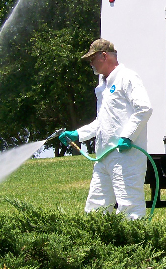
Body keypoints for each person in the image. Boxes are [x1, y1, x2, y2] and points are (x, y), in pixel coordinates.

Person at [59, 39, 152, 220]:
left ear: (104, 55)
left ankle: (132, 246)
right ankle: (98, 246)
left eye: (93, 59)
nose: (91, 64)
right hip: (103, 157)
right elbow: (102, 122)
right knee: (96, 206)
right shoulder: (103, 87)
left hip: (126, 157)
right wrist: (78, 134)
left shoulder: (127, 77)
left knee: (129, 207)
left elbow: (144, 108)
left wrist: (128, 136)